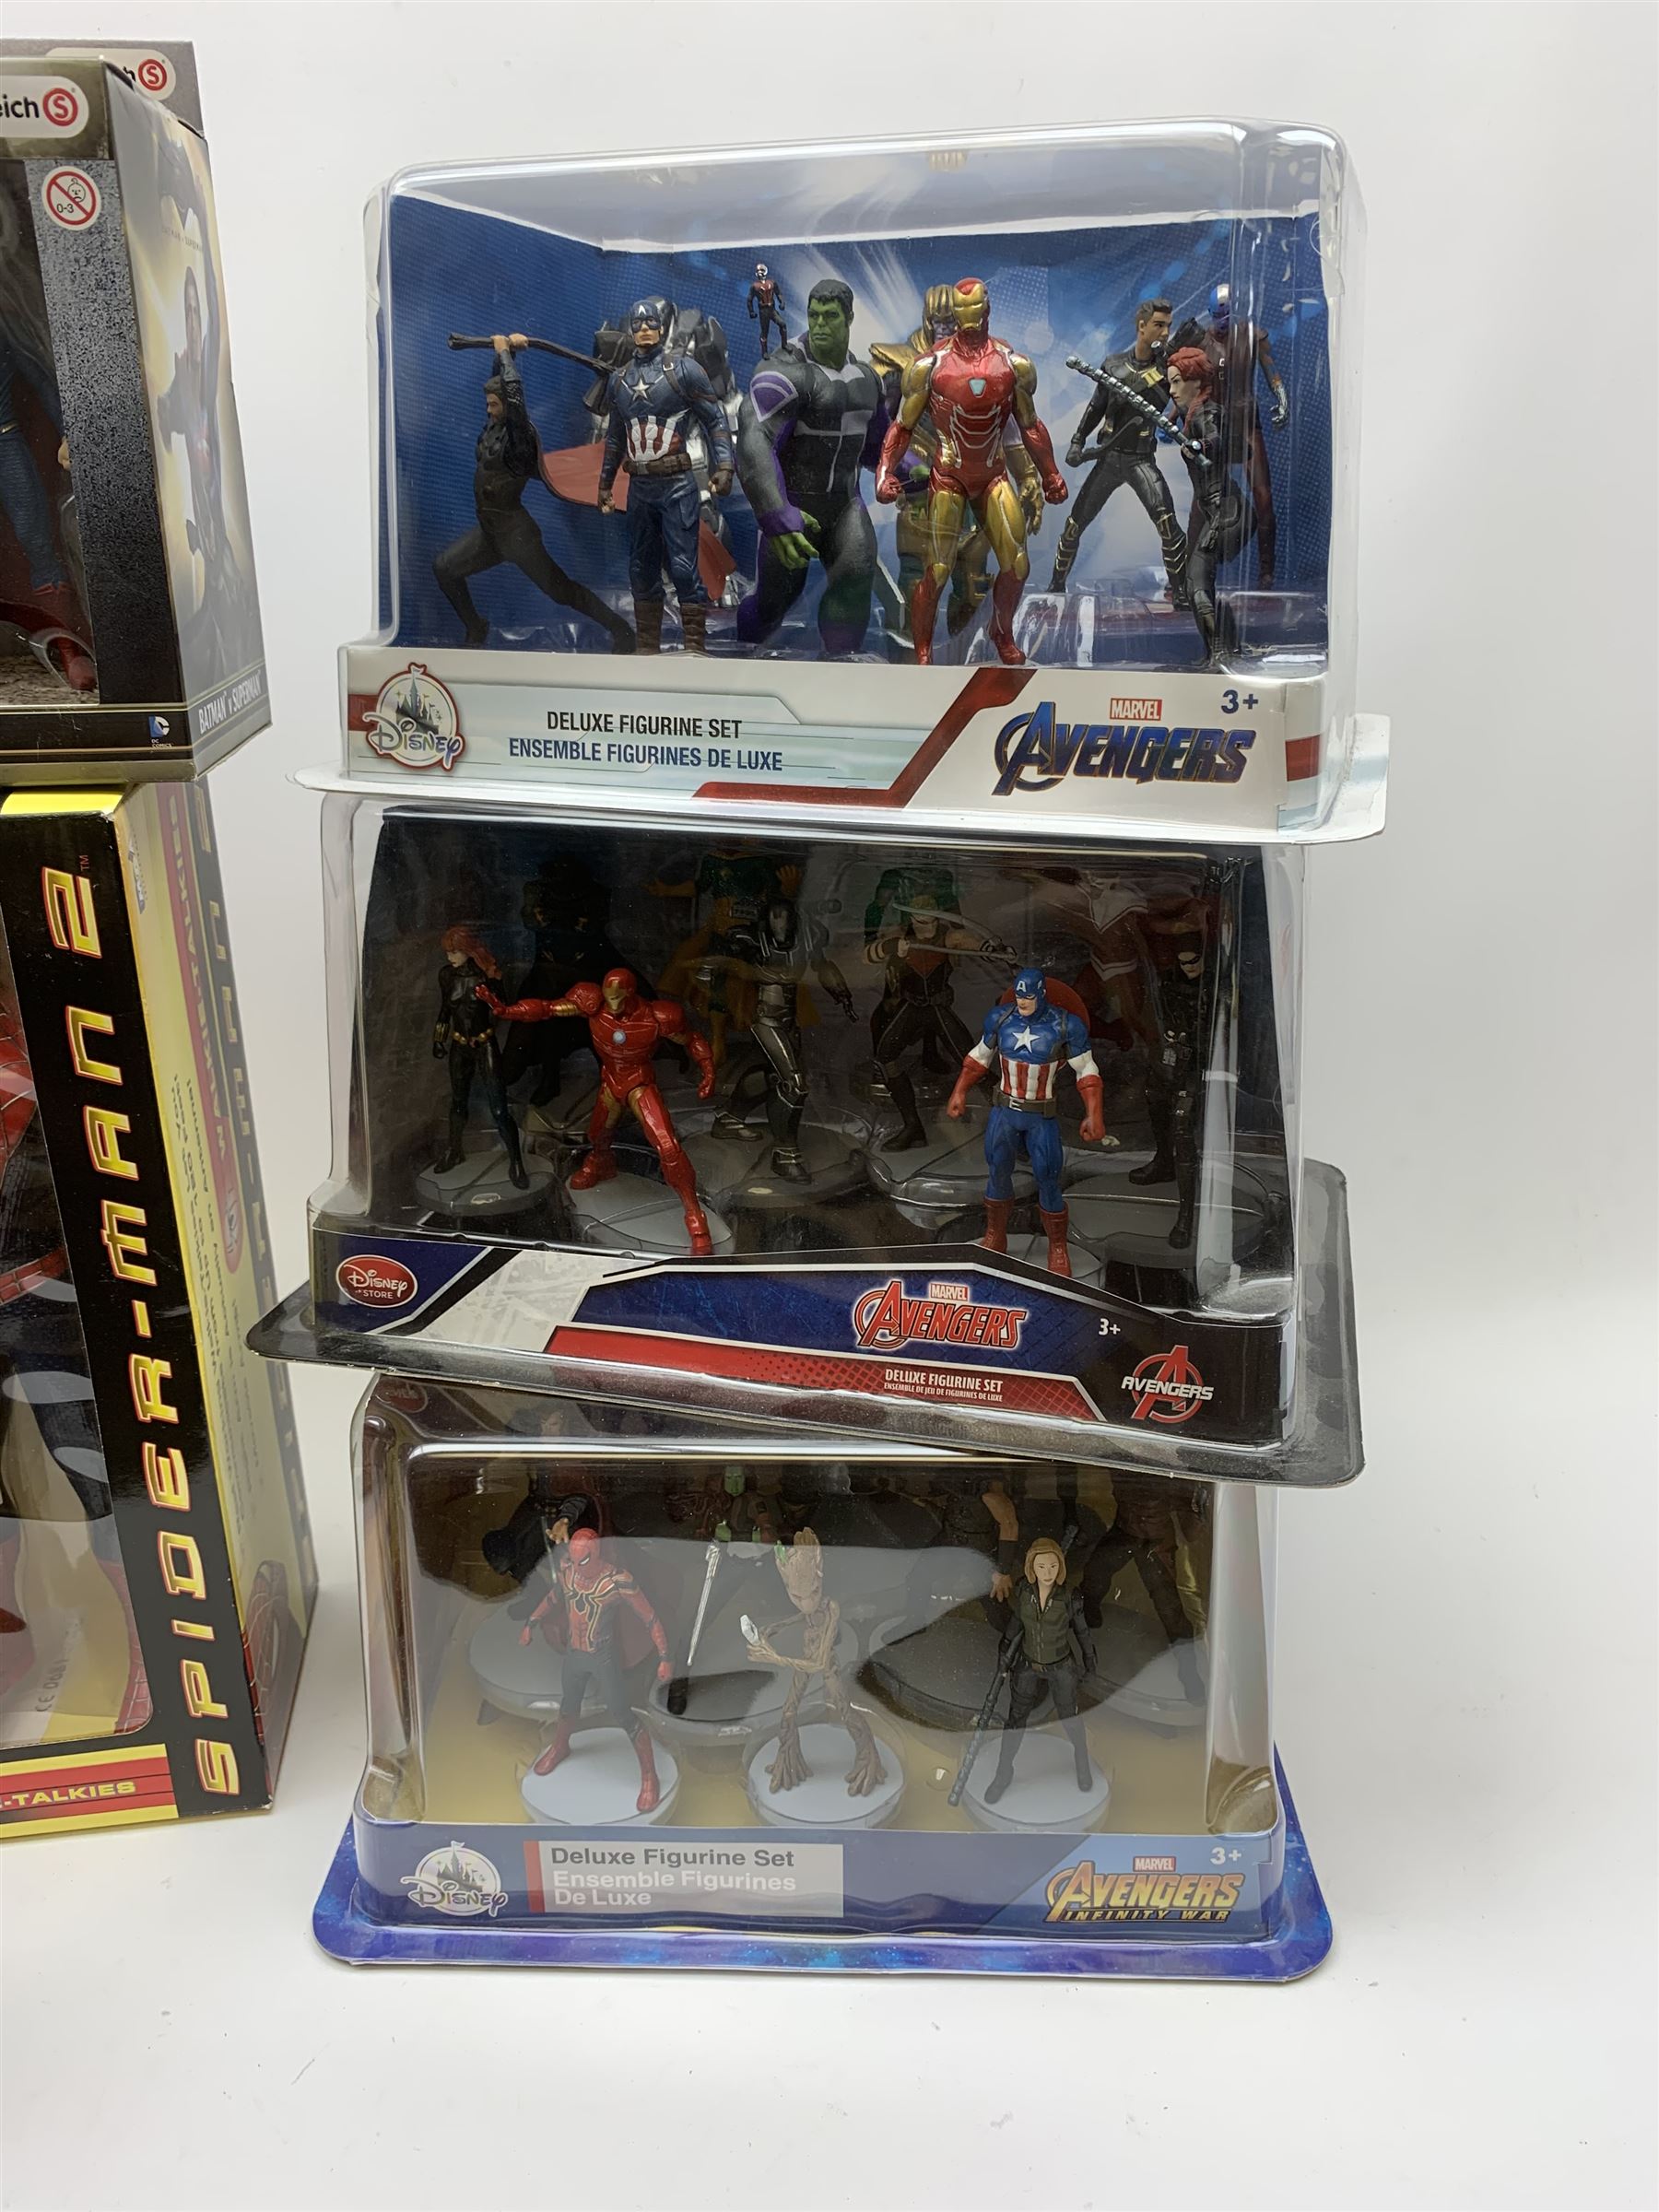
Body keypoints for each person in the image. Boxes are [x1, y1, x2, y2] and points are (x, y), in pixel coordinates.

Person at [875, 277, 1066, 665]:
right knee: (938, 570)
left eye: (972, 313)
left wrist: (1048, 474)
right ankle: (923, 649)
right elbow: (902, 426)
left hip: (992, 475)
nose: (966, 323)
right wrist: (884, 472)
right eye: (959, 315)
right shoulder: (928, 367)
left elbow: (1028, 425)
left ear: (987, 310)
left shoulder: (1012, 365)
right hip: (948, 476)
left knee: (1017, 565)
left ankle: (1001, 631)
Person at [433, 336, 633, 653]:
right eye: (488, 404)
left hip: (517, 536)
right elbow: (503, 386)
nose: (489, 409)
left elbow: (514, 395)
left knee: (562, 592)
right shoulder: (492, 429)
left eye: (494, 404)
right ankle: (475, 626)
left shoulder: (519, 436)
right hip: (490, 533)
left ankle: (621, 629)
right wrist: (504, 355)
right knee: (444, 568)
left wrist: (504, 353)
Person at [735, 278, 888, 657]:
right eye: (813, 315)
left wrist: (911, 470)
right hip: (794, 505)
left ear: (849, 318)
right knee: (772, 604)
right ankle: (741, 654)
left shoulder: (867, 379)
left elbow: (879, 448)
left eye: (830, 316)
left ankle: (840, 666)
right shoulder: (783, 370)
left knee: (855, 577)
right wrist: (774, 512)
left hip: (845, 505)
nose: (819, 325)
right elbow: (754, 439)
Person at [946, 968, 1112, 1277]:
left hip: (1040, 1117)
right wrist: (959, 1091)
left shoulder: (1065, 1025)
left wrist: (1094, 1113)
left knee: (1048, 1177)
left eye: (1029, 997)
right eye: (1019, 995)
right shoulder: (1001, 1018)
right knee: (997, 1170)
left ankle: (1057, 1247)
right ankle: (995, 1236)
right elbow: (979, 1057)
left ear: (1042, 995)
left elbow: (1087, 1071)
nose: (1022, 1002)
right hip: (1004, 1112)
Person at [598, 298, 735, 653]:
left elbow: (715, 419)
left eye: (651, 323)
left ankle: (694, 646)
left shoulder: (684, 370)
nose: (645, 329)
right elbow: (615, 438)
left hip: (677, 485)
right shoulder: (619, 380)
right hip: (640, 487)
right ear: (631, 330)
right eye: (638, 324)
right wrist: (605, 484)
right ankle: (647, 647)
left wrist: (724, 465)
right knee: (641, 571)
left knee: (684, 569)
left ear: (661, 328)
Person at [1048, 298, 1190, 605]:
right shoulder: (1113, 365)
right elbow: (1096, 407)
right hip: (1109, 458)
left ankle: (1180, 592)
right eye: (1159, 325)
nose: (1165, 332)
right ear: (1142, 326)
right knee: (1074, 525)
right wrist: (1077, 441)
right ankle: (1056, 585)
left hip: (1141, 459)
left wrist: (1167, 367)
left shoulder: (1167, 370)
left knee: (1168, 525)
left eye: (1168, 326)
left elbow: (1167, 401)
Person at [521, 1527, 670, 1813]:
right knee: (569, 1705)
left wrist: (665, 1657)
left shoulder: (617, 1580)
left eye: (583, 1561)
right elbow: (553, 1597)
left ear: (597, 1553)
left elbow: (650, 1618)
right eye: (573, 1560)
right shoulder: (569, 1572)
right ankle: (560, 1747)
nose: (578, 1567)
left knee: (623, 1714)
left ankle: (649, 1776)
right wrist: (531, 1622)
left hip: (603, 1656)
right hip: (574, 1654)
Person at [983, 1536, 1099, 1803]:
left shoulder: (1069, 1597)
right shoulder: (1024, 1592)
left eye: (1053, 1566)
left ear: (1061, 1568)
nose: (1048, 1573)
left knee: (1070, 1718)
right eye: (1041, 1567)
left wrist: (1090, 1661)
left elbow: (1082, 1631)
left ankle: (1081, 1763)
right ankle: (1003, 1772)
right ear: (1031, 1568)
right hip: (1027, 1665)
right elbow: (1017, 1622)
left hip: (1061, 1667)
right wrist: (1004, 1649)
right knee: (1015, 1721)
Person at [1165, 346, 1254, 663]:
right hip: (1216, 510)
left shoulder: (1207, 412)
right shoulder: (1191, 412)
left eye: (1177, 382)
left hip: (1227, 511)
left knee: (1197, 583)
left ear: (1196, 382)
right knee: (1197, 584)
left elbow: (1217, 439)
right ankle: (1222, 649)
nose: (1172, 390)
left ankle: (1219, 653)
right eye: (1170, 383)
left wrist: (1199, 444)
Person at [431, 926, 528, 1188]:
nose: (450, 956)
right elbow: (444, 1010)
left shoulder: (486, 977)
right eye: (448, 951)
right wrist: (438, 1038)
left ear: (468, 950)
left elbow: (504, 1010)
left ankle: (516, 1161)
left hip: (485, 1044)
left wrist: (493, 987)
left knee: (499, 1108)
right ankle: (454, 1150)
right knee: (458, 1103)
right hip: (459, 1045)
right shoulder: (446, 975)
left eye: (455, 951)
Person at [746, 264, 787, 357]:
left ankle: (784, 345)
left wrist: (782, 302)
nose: (760, 273)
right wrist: (751, 311)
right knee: (765, 332)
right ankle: (764, 352)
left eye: (761, 270)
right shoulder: (755, 286)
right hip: (763, 311)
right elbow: (749, 299)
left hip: (772, 310)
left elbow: (778, 293)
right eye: (758, 271)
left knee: (783, 324)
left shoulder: (771, 283)